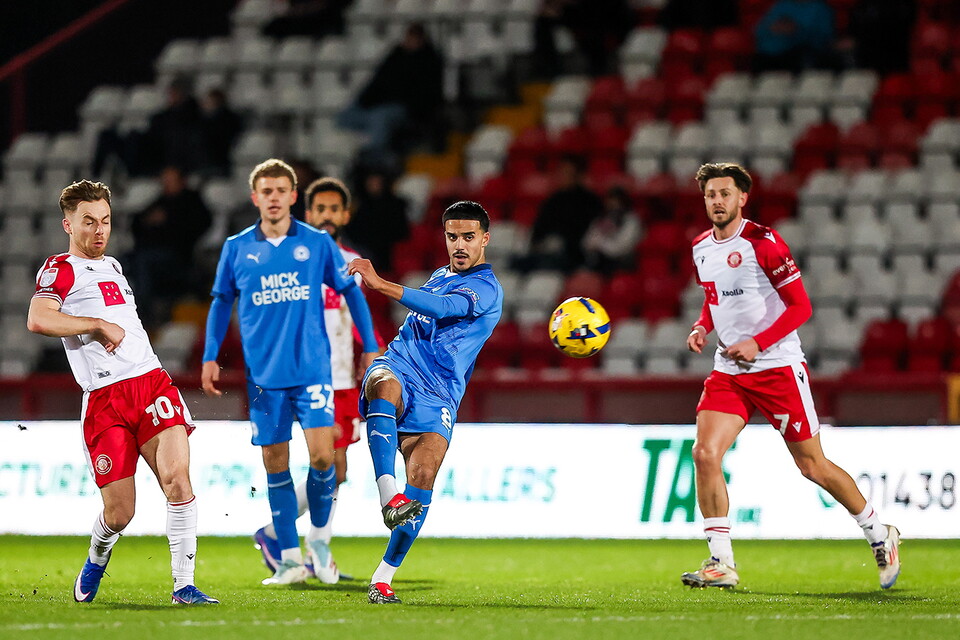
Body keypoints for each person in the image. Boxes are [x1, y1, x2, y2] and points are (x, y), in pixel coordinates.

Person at [682, 163, 900, 589]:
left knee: (812, 466)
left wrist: (758, 344)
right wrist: (701, 327)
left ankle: (880, 534)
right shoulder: (700, 247)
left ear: (742, 197)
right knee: (705, 453)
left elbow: (801, 307)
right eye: (711, 195)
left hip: (777, 368)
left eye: (725, 194)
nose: (718, 201)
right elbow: (714, 299)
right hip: (729, 370)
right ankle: (720, 562)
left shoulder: (765, 243)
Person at [26, 180, 218, 605]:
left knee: (178, 480)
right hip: (105, 400)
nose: (99, 230)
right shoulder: (61, 268)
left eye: (106, 221)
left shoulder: (113, 265)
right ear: (67, 225)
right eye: (88, 222)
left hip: (151, 383)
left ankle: (184, 586)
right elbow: (38, 319)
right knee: (120, 513)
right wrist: (94, 323)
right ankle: (97, 556)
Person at [201, 159, 380, 585]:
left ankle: (318, 542)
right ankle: (288, 560)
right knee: (275, 464)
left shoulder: (317, 244)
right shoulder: (237, 247)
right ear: (255, 197)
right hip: (264, 376)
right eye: (267, 191)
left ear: (293, 196)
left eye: (282, 190)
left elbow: (351, 293)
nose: (274, 198)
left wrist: (371, 345)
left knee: (325, 459)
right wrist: (210, 355)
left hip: (313, 371)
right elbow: (221, 301)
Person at [348, 200, 503, 604]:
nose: (459, 245)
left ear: (485, 239)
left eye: (468, 237)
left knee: (424, 473)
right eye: (452, 236)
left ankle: (383, 577)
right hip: (399, 364)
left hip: (440, 393)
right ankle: (387, 495)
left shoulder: (487, 288)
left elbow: (443, 308)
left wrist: (381, 284)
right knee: (383, 386)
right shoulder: (438, 275)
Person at [252, 176, 383, 576]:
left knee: (336, 469)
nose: (327, 216)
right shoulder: (294, 254)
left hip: (340, 378)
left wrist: (372, 352)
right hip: (296, 373)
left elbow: (356, 315)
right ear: (308, 213)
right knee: (320, 461)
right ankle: (307, 543)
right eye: (319, 209)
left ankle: (286, 534)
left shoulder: (352, 262)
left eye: (334, 209)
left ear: (345, 214)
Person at [336, 23, 444, 162]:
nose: (410, 41)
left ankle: (375, 157)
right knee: (345, 116)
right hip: (377, 104)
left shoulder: (429, 61)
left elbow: (421, 96)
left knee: (379, 118)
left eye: (415, 38)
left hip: (402, 108)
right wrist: (366, 101)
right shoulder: (395, 56)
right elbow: (377, 82)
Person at [128, 166, 212, 326]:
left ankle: (143, 314)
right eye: (164, 181)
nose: (166, 185)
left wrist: (168, 221)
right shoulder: (161, 201)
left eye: (170, 181)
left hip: (179, 257)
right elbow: (137, 222)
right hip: (150, 253)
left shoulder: (192, 201)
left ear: (182, 181)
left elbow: (195, 228)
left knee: (143, 263)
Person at [344, 169, 410, 271]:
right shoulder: (363, 205)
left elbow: (401, 231)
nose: (373, 185)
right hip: (364, 246)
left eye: (377, 182)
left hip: (387, 249)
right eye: (370, 182)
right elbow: (353, 230)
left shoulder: (395, 204)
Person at [582, 185, 642, 275]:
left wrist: (600, 243)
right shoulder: (600, 219)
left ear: (624, 202)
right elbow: (586, 243)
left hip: (622, 264)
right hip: (598, 263)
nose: (613, 204)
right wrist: (598, 244)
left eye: (616, 201)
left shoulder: (631, 220)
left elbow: (620, 247)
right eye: (610, 201)